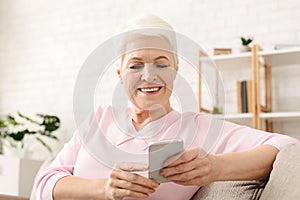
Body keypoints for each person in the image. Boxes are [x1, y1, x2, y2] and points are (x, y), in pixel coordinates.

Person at [35, 14, 299, 200]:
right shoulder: (98, 120)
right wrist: (105, 189)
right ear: (120, 74)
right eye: (135, 65)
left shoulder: (200, 128)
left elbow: (285, 146)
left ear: (175, 70)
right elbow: (44, 184)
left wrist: (214, 167)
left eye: (161, 64)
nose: (149, 76)